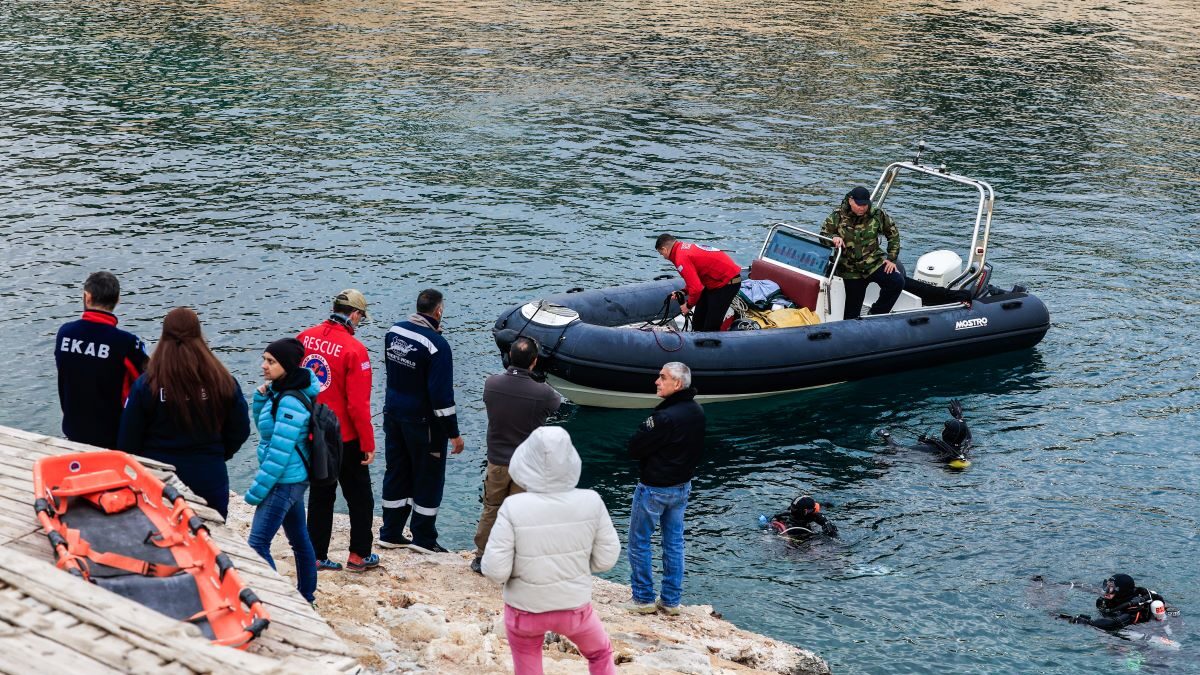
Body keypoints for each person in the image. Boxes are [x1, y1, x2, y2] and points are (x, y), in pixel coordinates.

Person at [481, 427, 620, 675]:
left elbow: (495, 570)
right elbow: (606, 560)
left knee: (528, 662)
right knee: (600, 653)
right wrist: (577, 565)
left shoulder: (513, 506)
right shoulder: (591, 501)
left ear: (525, 461)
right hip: (574, 608)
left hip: (524, 611)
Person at [117, 307, 250, 518]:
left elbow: (127, 440)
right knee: (211, 535)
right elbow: (240, 429)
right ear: (199, 335)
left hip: (160, 479)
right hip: (209, 476)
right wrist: (218, 454)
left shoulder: (147, 385)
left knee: (162, 534)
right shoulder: (223, 381)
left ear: (164, 336)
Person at [297, 290, 379, 573]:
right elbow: (357, 404)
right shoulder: (355, 350)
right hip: (345, 437)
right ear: (354, 314)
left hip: (314, 431)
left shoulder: (304, 338)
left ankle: (316, 555)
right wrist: (368, 442)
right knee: (360, 498)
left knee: (321, 496)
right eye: (361, 318)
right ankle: (359, 555)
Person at [380, 289, 465, 553]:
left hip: (393, 414)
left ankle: (390, 532)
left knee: (397, 470)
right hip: (424, 423)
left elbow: (392, 372)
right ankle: (424, 539)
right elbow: (441, 397)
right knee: (428, 476)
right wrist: (453, 433)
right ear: (439, 311)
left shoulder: (394, 331)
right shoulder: (437, 345)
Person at [472, 336, 561, 574]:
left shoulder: (491, 384)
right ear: (534, 361)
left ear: (509, 356)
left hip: (497, 461)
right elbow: (556, 404)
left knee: (491, 508)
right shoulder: (544, 393)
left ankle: (482, 556)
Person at [626, 361, 705, 615]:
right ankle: (671, 601)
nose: (657, 381)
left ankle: (643, 599)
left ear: (677, 383)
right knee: (674, 543)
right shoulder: (697, 411)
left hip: (654, 488)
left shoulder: (664, 417)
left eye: (662, 377)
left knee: (639, 542)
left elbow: (635, 448)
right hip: (682, 486)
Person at [245, 338, 319, 605]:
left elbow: (278, 453)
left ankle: (278, 603)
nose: (264, 365)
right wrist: (260, 398)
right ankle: (307, 597)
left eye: (271, 361)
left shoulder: (289, 401)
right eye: (264, 359)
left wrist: (256, 491)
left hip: (284, 480)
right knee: (299, 539)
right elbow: (266, 431)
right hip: (292, 477)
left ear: (286, 365)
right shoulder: (280, 391)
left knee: (256, 545)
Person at [55, 271, 149, 448]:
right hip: (114, 438)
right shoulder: (127, 343)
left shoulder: (65, 334)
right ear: (117, 300)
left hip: (73, 431)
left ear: (87, 297)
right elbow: (148, 383)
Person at [821, 185, 904, 320]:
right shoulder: (837, 216)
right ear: (850, 201)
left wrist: (891, 258)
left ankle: (876, 314)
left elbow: (893, 234)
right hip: (850, 270)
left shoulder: (877, 215)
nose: (862, 208)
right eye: (859, 205)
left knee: (896, 281)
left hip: (873, 263)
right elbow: (823, 236)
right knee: (851, 315)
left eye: (865, 205)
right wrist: (833, 238)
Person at [655, 234, 742, 332]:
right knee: (698, 320)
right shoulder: (682, 249)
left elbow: (697, 288)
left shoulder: (681, 258)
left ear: (664, 249)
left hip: (726, 284)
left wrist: (688, 306)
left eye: (662, 254)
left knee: (710, 326)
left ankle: (711, 338)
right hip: (714, 283)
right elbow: (695, 281)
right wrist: (683, 292)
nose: (664, 257)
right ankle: (697, 336)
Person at [881, 400, 973, 466]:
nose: (943, 429)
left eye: (945, 428)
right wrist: (959, 417)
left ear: (947, 433)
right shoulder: (963, 450)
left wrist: (886, 436)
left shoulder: (929, 448)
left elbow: (896, 448)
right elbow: (968, 436)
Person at [1064, 574, 1170, 630]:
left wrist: (1087, 622)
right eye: (1107, 586)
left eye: (1111, 588)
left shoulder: (1132, 609)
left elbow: (1113, 623)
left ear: (1121, 591)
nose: (1106, 591)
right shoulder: (1115, 598)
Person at [768, 495, 838, 538]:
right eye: (813, 510)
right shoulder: (801, 531)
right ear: (806, 512)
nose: (816, 512)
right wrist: (826, 523)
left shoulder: (784, 517)